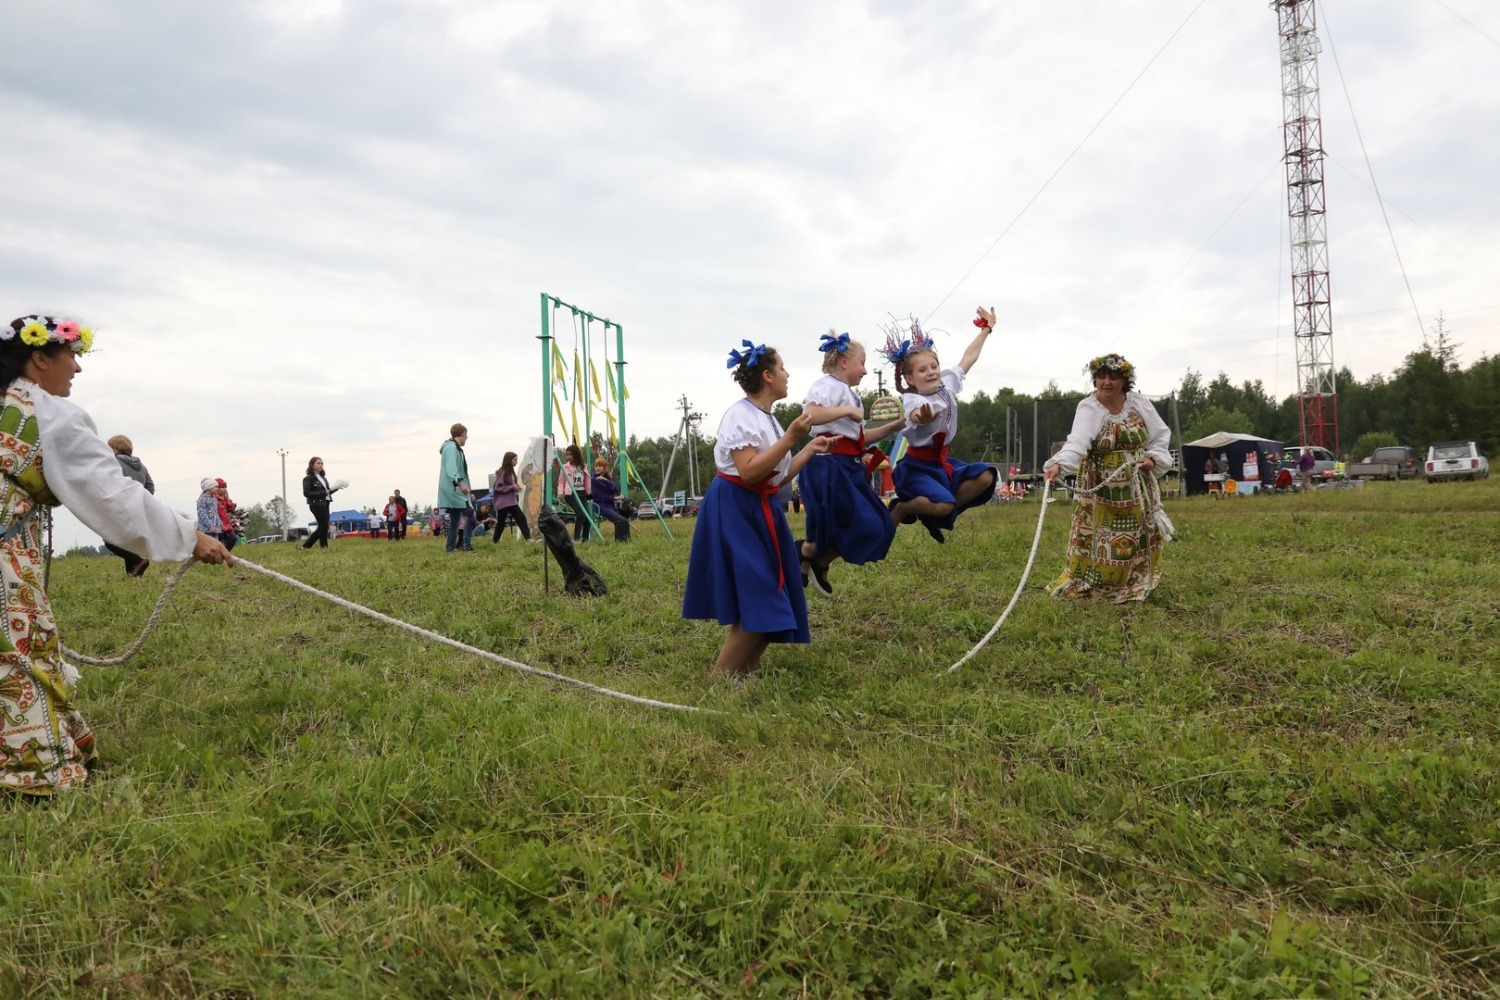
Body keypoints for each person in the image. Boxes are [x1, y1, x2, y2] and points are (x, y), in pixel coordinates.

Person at [1, 314, 232, 797]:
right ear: (39, 357)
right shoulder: (49, 416)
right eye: (72, 356)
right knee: (15, 655)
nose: (77, 368)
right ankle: (30, 772)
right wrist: (190, 537)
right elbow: (112, 494)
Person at [682, 341, 830, 677]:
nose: (787, 374)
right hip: (736, 507)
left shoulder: (768, 419)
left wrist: (808, 450)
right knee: (761, 592)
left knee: (775, 589)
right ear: (768, 376)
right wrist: (790, 438)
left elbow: (775, 477)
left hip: (759, 506)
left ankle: (740, 675)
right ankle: (721, 680)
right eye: (782, 368)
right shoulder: (740, 415)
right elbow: (748, 471)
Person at [1042, 353, 1174, 603]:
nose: (1106, 382)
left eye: (1113, 377)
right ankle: (1097, 584)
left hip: (1136, 484)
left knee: (1136, 534)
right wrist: (1059, 464)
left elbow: (1159, 436)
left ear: (1124, 380)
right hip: (1098, 486)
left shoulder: (1139, 404)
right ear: (1095, 380)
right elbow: (1077, 441)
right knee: (1099, 537)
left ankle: (1133, 584)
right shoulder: (1089, 407)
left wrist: (1153, 458)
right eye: (1101, 377)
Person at [796, 331, 904, 596]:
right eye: (862, 363)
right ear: (844, 362)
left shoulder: (849, 394)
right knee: (835, 525)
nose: (865, 370)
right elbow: (810, 415)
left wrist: (894, 426)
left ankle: (814, 558)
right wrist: (846, 410)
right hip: (827, 465)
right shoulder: (828, 385)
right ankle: (805, 552)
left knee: (871, 524)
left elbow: (860, 437)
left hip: (846, 467)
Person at [883, 308, 1000, 544]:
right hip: (917, 467)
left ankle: (934, 516)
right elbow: (914, 414)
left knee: (987, 476)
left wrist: (987, 329)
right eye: (922, 370)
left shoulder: (948, 384)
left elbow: (970, 356)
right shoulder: (913, 398)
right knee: (944, 504)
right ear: (910, 378)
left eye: (933, 366)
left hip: (941, 463)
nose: (931, 373)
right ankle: (904, 507)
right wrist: (922, 418)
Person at [104, 434, 155, 576]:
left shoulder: (114, 463)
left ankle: (138, 561)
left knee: (109, 540)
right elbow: (150, 487)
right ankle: (133, 573)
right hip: (137, 509)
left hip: (119, 507)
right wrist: (140, 500)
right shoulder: (141, 466)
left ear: (115, 448)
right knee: (127, 540)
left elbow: (109, 483)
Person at [437, 423, 472, 552]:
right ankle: (465, 545)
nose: (467, 438)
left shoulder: (453, 448)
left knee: (456, 520)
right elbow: (452, 469)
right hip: (454, 489)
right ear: (462, 434)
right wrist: (461, 484)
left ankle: (451, 547)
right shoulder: (452, 448)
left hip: (452, 488)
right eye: (466, 435)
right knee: (470, 514)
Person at [490, 452, 531, 542]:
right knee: (501, 523)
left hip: (511, 502)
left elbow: (509, 486)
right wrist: (512, 487)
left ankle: (528, 538)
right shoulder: (503, 472)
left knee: (521, 518)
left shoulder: (510, 472)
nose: (516, 462)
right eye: (515, 460)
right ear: (509, 460)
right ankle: (495, 541)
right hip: (504, 503)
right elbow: (497, 487)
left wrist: (515, 488)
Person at [556, 443, 592, 543]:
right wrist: (560, 492)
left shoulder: (584, 466)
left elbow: (587, 482)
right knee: (580, 514)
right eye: (567, 454)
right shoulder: (565, 467)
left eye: (570, 454)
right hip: (571, 494)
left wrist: (589, 496)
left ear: (576, 454)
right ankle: (576, 538)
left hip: (583, 493)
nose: (568, 456)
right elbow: (561, 482)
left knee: (588, 516)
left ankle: (585, 540)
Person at [301, 457, 339, 549]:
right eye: (318, 463)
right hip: (316, 504)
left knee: (323, 526)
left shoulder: (323, 478)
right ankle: (324, 547)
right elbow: (307, 493)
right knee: (324, 526)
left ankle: (306, 547)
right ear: (312, 465)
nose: (321, 465)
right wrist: (324, 493)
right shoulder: (308, 479)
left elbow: (327, 491)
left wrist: (336, 488)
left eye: (322, 463)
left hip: (326, 502)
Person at [590, 457, 631, 542]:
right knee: (619, 520)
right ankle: (619, 541)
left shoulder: (608, 478)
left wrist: (606, 480)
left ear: (605, 468)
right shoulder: (593, 479)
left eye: (600, 466)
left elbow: (614, 489)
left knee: (625, 520)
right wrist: (614, 498)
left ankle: (626, 540)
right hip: (600, 505)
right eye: (596, 466)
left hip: (610, 506)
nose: (597, 468)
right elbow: (598, 496)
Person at [214, 477, 241, 550]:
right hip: (217, 525)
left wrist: (227, 497)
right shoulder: (214, 499)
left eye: (225, 488)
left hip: (226, 525)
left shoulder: (225, 499)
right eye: (223, 488)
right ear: (217, 489)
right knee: (219, 542)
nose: (225, 489)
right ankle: (221, 553)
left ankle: (225, 553)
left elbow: (231, 508)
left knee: (233, 538)